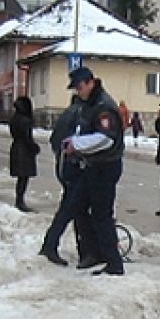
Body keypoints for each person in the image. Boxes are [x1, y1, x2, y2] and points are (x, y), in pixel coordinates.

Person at [59, 66, 126, 275]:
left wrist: (77, 145)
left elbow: (105, 139)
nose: (78, 92)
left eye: (80, 87)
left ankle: (113, 263)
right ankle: (92, 253)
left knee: (101, 214)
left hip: (105, 167)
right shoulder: (90, 104)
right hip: (92, 166)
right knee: (78, 207)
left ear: (90, 83)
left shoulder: (104, 106)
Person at [39, 94, 101, 268]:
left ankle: (87, 251)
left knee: (77, 208)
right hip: (74, 167)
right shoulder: (80, 115)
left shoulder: (67, 114)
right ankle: (51, 245)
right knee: (70, 208)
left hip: (64, 166)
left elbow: (54, 141)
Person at [8, 96, 39, 212]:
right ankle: (20, 201)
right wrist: (34, 148)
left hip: (16, 147)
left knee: (21, 177)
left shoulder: (14, 118)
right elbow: (27, 137)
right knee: (24, 177)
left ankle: (19, 200)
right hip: (24, 151)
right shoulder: (25, 121)